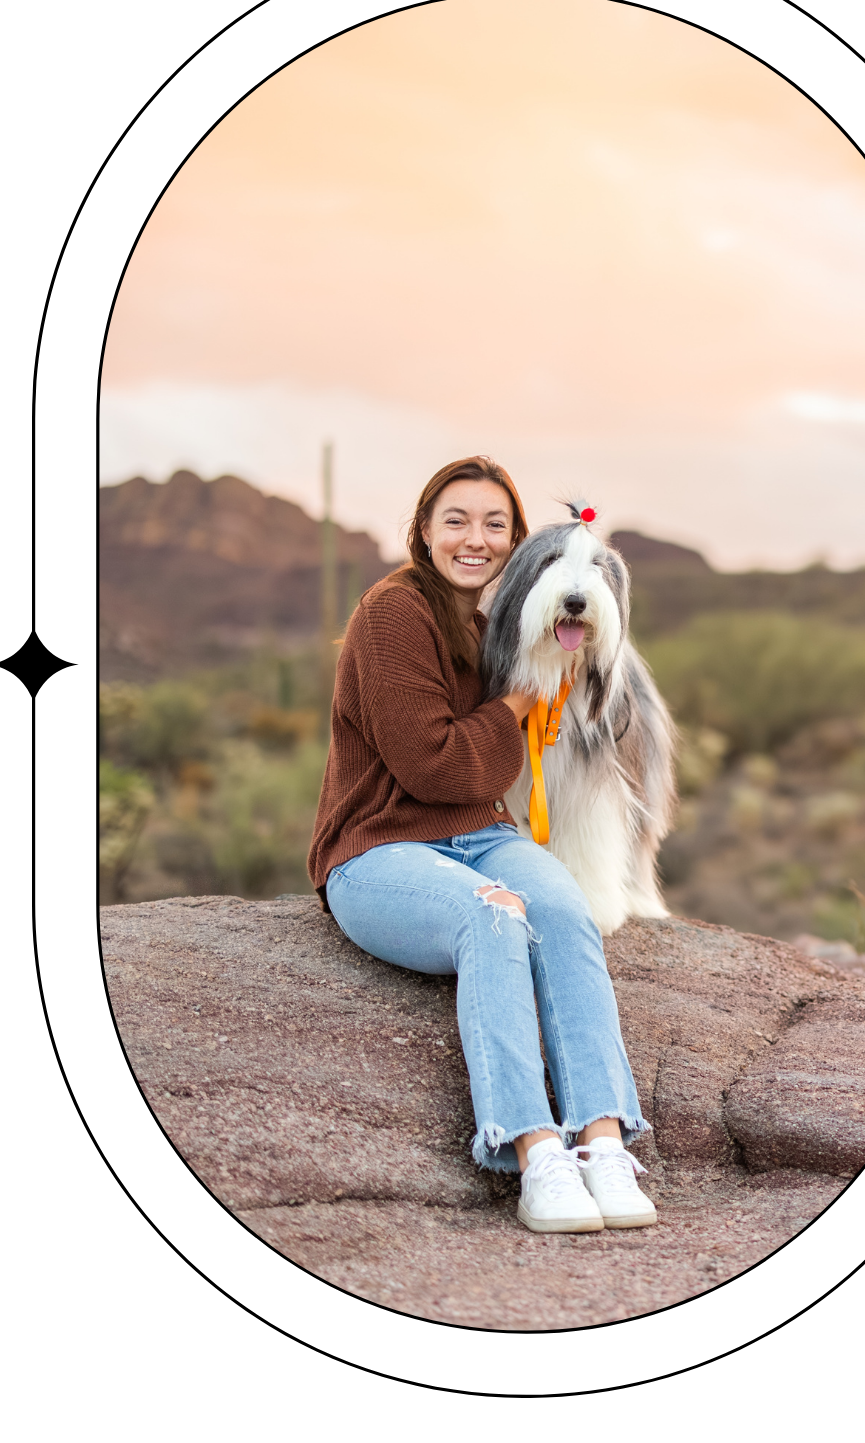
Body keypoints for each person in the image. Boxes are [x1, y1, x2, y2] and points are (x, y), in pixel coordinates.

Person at [308, 456, 658, 1234]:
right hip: (380, 849)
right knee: (493, 917)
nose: (476, 538)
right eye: (456, 521)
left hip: (481, 834)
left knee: (564, 912)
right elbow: (435, 768)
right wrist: (518, 702)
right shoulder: (392, 613)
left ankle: (602, 1142)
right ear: (424, 532)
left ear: (516, 541)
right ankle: (537, 1154)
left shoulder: (498, 620)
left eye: (495, 523)